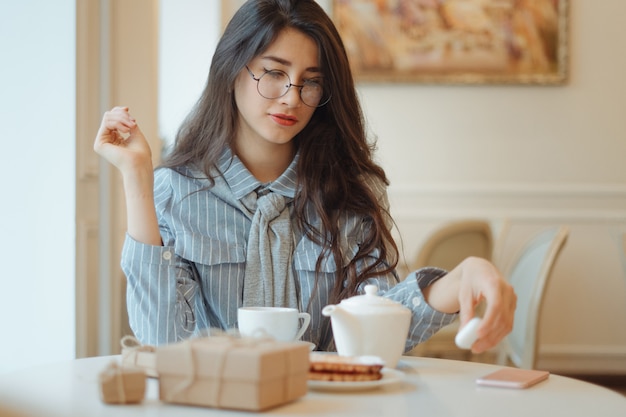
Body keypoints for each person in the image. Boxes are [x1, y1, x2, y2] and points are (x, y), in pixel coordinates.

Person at [94, 0, 515, 354]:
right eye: (274, 73)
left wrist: (457, 281)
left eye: (310, 82)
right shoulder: (176, 191)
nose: (292, 97)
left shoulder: (349, 193)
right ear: (232, 69)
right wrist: (137, 177)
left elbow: (374, 327)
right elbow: (162, 343)